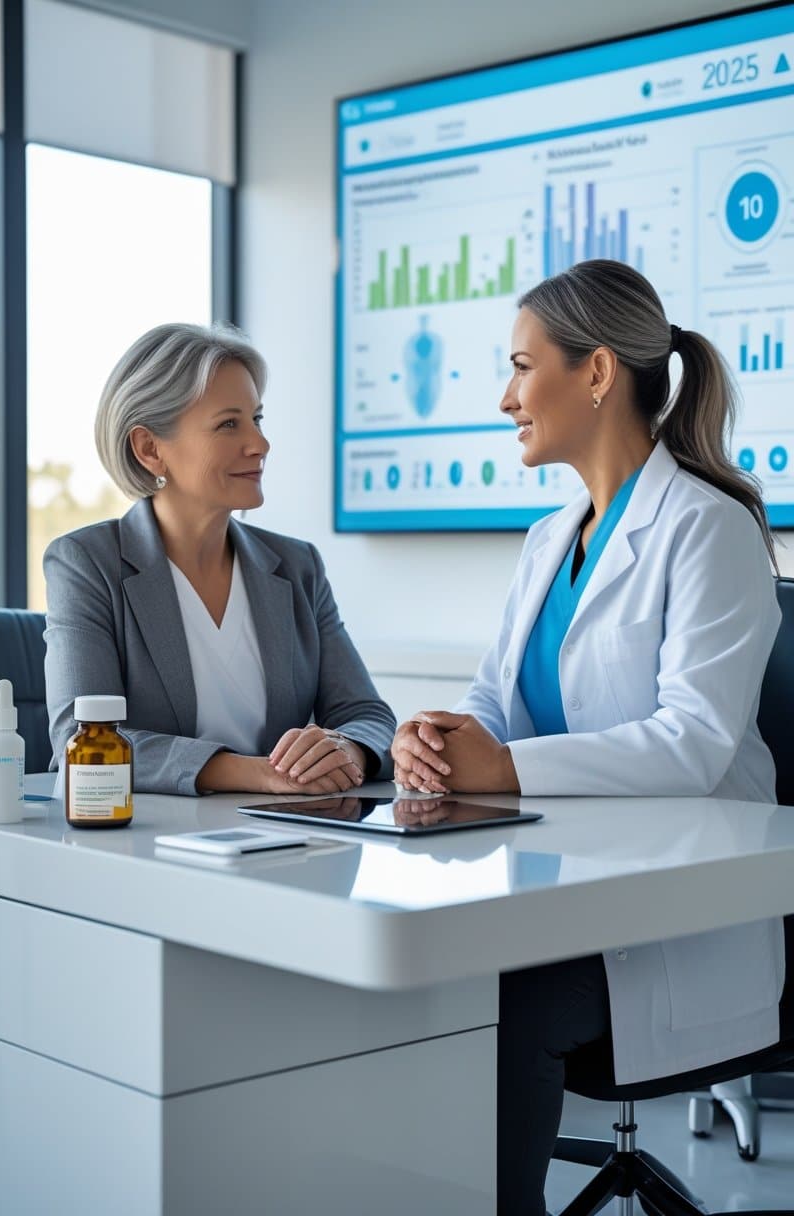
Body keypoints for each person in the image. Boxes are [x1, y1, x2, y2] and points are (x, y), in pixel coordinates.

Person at [390, 260, 785, 1214]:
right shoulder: (547, 537)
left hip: (668, 923)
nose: (506, 396)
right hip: (561, 894)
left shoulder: (709, 528)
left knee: (499, 1004)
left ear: (598, 373)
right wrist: (440, 741)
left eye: (523, 367)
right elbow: (494, 698)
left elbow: (692, 742)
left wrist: (507, 766)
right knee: (424, 982)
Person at [44, 322, 395, 796]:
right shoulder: (87, 564)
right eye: (229, 424)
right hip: (146, 847)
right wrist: (257, 773)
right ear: (150, 449)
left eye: (258, 419)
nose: (260, 444)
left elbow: (367, 716)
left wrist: (344, 750)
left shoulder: (297, 566)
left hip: (280, 839)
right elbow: (80, 741)